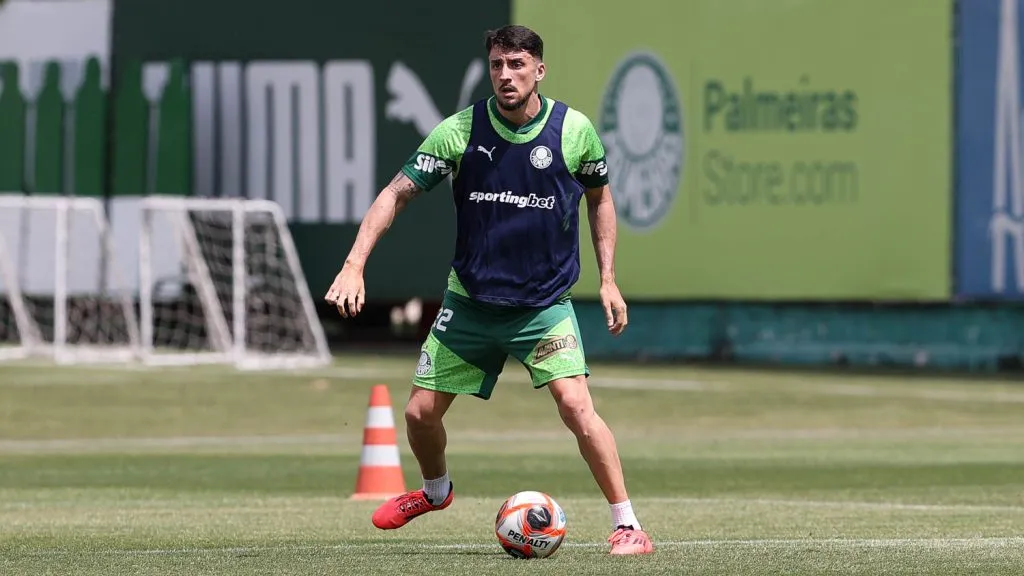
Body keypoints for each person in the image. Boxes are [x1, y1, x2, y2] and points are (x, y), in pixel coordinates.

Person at [324, 24, 653, 556]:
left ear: (539, 71)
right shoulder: (459, 131)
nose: (506, 75)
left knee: (575, 405)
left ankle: (628, 524)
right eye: (498, 65)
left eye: (517, 65)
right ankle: (435, 492)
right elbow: (395, 193)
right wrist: (353, 264)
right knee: (417, 416)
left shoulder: (574, 132)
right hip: (471, 304)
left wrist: (609, 279)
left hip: (543, 307)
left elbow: (601, 199)